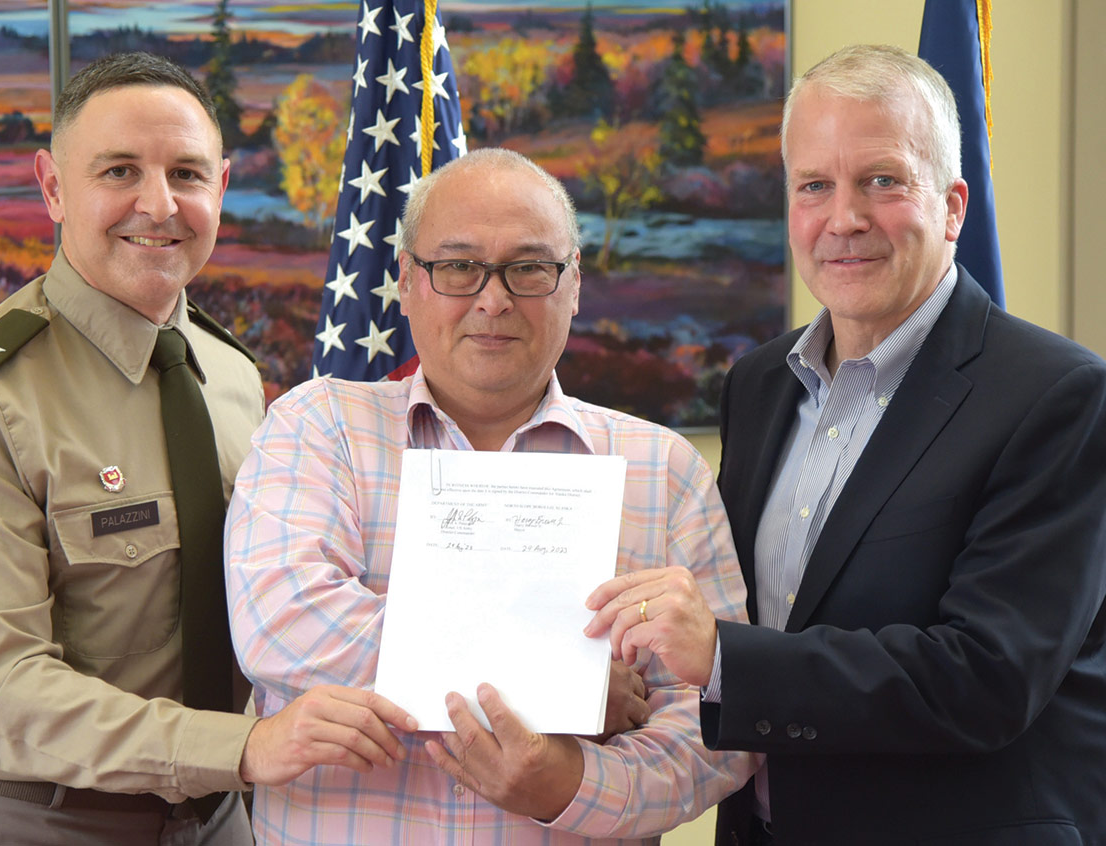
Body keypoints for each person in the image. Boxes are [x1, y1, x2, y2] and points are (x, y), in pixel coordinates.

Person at [585, 43, 1106, 845]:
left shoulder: (1058, 397)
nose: (845, 218)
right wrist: (630, 673)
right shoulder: (761, 382)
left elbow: (987, 677)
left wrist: (722, 654)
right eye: (814, 186)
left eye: (883, 181)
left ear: (954, 206)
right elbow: (744, 611)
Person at [0, 52, 416, 846]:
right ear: (52, 188)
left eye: (186, 173)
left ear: (220, 189)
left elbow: (299, 589)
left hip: (220, 817)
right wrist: (241, 748)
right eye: (118, 170)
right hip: (31, 821)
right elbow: (1, 692)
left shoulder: (232, 376)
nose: (158, 203)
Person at [224, 147, 759, 845]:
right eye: (458, 266)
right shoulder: (317, 428)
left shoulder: (665, 471)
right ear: (408, 282)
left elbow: (718, 730)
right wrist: (565, 682)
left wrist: (569, 786)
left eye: (529, 268)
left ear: (573, 285)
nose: (494, 297)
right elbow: (283, 624)